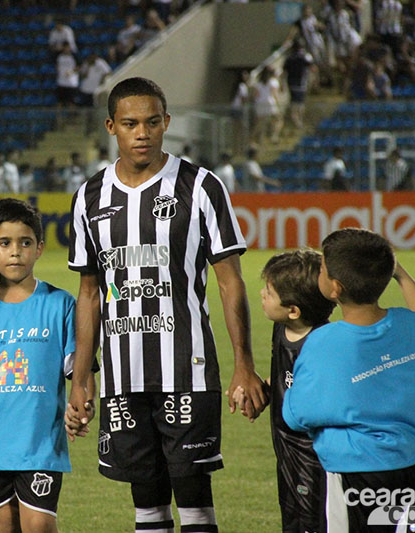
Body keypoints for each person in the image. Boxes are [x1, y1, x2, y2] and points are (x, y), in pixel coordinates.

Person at [65, 77, 267, 533]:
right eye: (131, 123)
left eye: (153, 122)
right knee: (146, 501)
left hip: (188, 368)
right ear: (111, 126)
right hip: (121, 374)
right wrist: (81, 379)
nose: (143, 133)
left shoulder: (200, 187)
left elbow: (229, 280)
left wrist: (243, 364)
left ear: (167, 123)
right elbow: (90, 294)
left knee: (194, 497)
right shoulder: (89, 197)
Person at [0, 198, 95, 533]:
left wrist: (82, 407)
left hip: (39, 442)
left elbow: (80, 373)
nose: (15, 252)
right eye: (4, 243)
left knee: (38, 524)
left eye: (25, 243)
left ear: (39, 248)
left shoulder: (61, 306)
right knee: (5, 524)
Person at [282, 228, 415, 532]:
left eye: (323, 267)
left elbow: (297, 414)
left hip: (351, 470)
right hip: (414, 463)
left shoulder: (323, 342)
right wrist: (402, 276)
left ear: (335, 288)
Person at [234, 250, 336, 533]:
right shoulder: (282, 327)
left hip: (312, 457)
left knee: (313, 523)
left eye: (269, 291)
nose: (261, 294)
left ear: (293, 310)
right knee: (291, 520)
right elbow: (286, 376)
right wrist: (264, 392)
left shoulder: (322, 344)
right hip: (286, 451)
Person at [283, 39, 314, 130]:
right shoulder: (304, 57)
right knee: (299, 104)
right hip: (301, 84)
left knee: (295, 104)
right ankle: (298, 123)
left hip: (292, 84)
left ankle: (297, 121)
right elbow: (311, 66)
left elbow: (284, 71)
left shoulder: (289, 58)